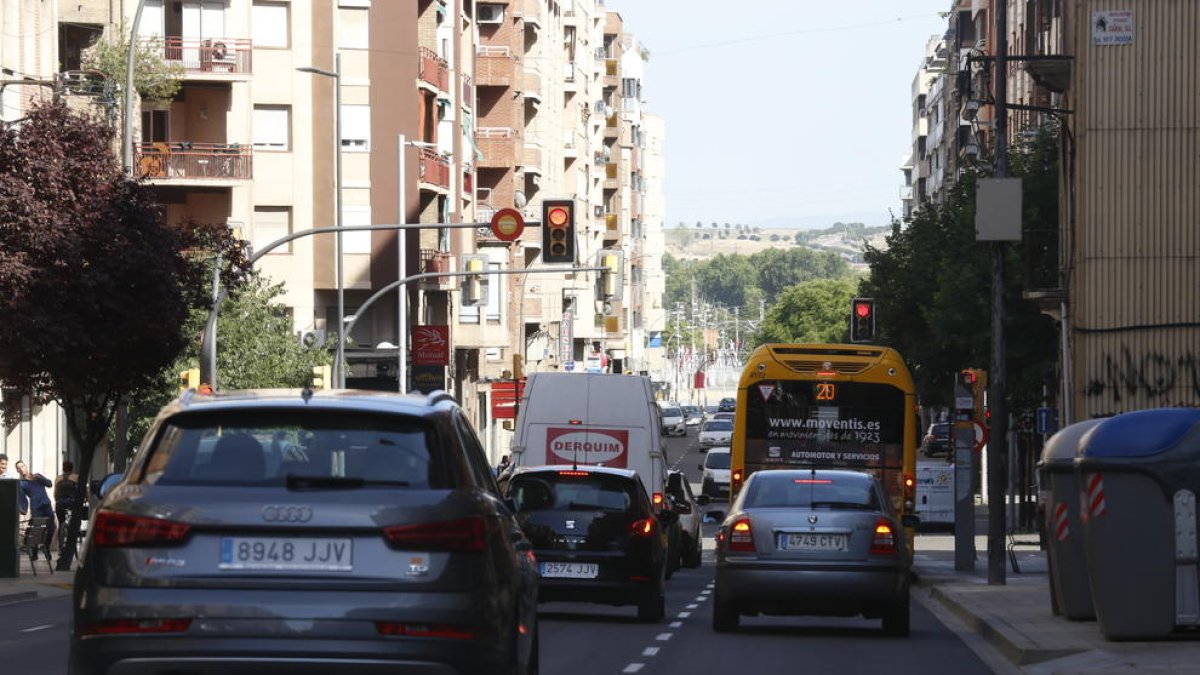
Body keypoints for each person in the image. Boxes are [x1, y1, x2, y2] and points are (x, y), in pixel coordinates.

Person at [16, 460, 55, 558]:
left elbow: (49, 484)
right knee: (36, 529)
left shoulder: (37, 477)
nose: (21, 469)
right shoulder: (21, 483)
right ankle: (34, 550)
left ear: (26, 466)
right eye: (18, 468)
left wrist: (41, 478)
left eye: (22, 466)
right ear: (18, 471)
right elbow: (23, 499)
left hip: (46, 505)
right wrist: (23, 509)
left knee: (51, 528)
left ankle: (46, 547)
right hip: (36, 507)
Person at [54, 460, 83, 548]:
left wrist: (57, 501)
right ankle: (74, 537)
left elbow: (55, 494)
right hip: (72, 504)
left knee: (61, 522)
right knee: (75, 522)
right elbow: (82, 491)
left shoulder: (58, 478)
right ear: (72, 468)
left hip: (59, 504)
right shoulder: (76, 477)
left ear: (63, 468)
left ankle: (60, 546)